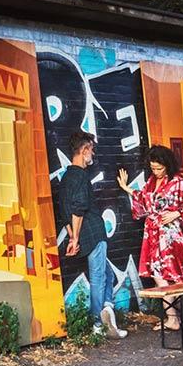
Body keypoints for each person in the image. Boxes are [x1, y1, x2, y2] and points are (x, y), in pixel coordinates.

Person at [117, 144, 183, 330]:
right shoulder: (152, 182)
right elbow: (144, 200)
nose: (156, 171)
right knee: (158, 274)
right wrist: (126, 188)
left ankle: (173, 318)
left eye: (159, 168)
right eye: (153, 168)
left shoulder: (178, 182)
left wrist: (177, 213)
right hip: (153, 234)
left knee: (172, 276)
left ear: (167, 165)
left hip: (170, 235)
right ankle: (173, 317)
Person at [58, 131, 126, 338]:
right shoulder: (80, 176)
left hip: (84, 233)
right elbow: (78, 209)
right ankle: (98, 323)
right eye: (91, 150)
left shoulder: (66, 177)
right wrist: (75, 238)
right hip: (93, 233)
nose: (93, 154)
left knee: (106, 274)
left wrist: (71, 235)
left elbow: (64, 212)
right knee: (98, 277)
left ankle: (107, 311)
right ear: (84, 149)